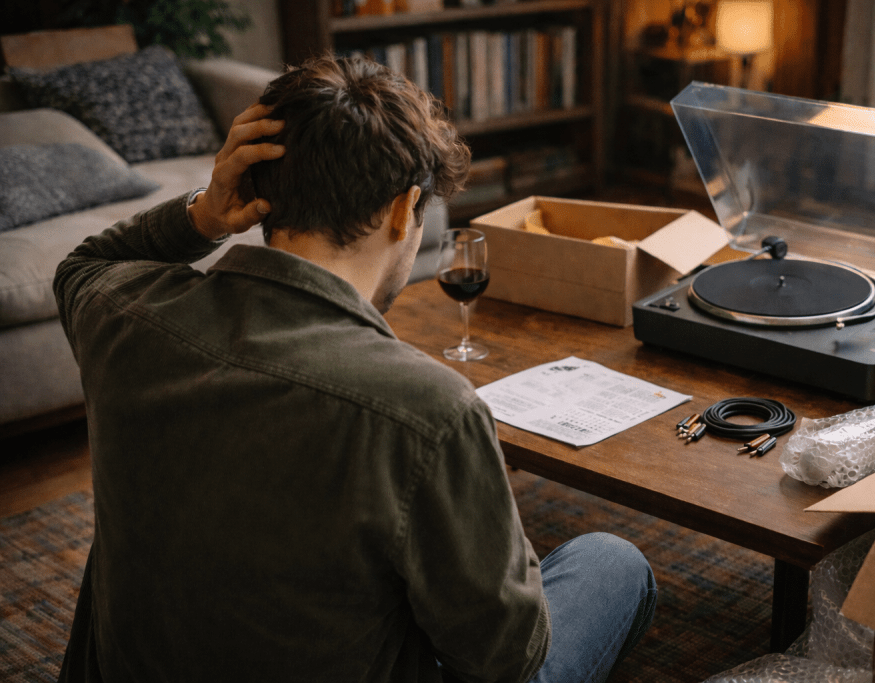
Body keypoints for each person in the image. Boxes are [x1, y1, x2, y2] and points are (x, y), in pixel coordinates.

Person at [54, 55, 656, 683]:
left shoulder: (120, 314)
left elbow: (83, 264)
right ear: (406, 210)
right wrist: (486, 520)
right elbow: (505, 656)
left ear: (260, 191)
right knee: (613, 562)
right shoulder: (431, 409)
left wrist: (203, 215)